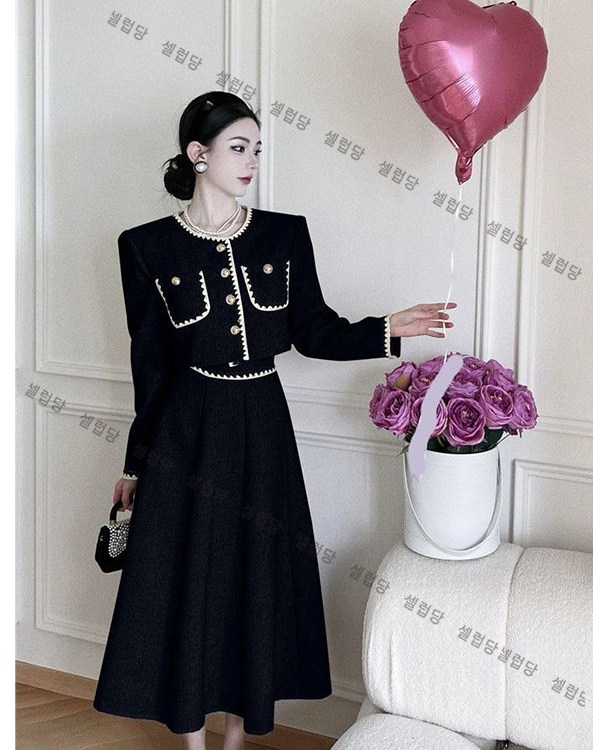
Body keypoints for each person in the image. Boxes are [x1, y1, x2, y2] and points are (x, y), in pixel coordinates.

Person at [91, 90, 457, 750]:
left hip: (262, 424)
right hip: (184, 431)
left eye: (257, 148)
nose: (252, 161)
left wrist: (386, 329)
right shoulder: (144, 246)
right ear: (198, 154)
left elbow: (312, 331)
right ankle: (192, 740)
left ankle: (236, 737)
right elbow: (150, 365)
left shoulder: (283, 234)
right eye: (239, 147)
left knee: (253, 574)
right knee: (186, 577)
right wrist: (134, 465)